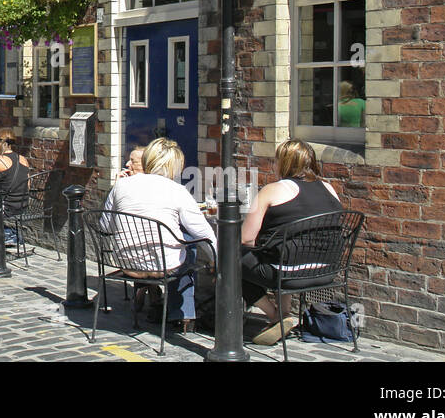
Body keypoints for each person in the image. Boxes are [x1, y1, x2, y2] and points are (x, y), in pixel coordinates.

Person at [101, 137, 216, 330]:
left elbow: (105, 227)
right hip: (162, 267)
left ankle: (150, 298)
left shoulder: (120, 186)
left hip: (127, 264)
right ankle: (183, 315)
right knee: (190, 244)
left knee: (168, 241)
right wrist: (216, 262)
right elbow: (203, 232)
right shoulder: (177, 190)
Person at [240, 139, 343, 344]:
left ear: (284, 163)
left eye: (276, 161)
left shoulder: (272, 190)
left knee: (229, 260)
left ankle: (276, 315)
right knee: (283, 254)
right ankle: (284, 312)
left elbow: (247, 238)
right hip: (327, 270)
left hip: (288, 274)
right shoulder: (329, 188)